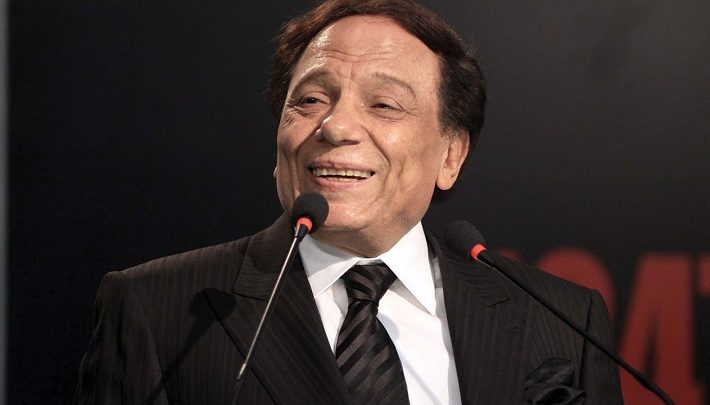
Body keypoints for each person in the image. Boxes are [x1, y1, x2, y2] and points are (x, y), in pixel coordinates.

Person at [75, 0, 622, 404]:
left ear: (450, 155)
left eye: (384, 105)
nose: (335, 127)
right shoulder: (159, 309)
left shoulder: (562, 322)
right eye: (311, 100)